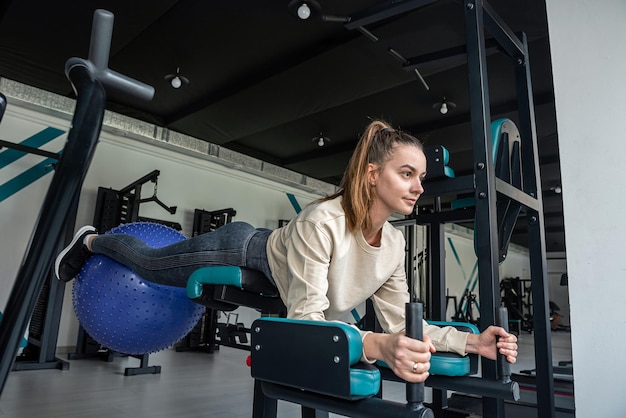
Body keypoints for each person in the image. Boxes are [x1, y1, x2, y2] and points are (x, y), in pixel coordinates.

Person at [55, 119, 517, 383]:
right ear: (373, 174)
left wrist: (471, 340)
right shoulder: (325, 222)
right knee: (152, 266)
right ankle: (92, 240)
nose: (419, 186)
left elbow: (399, 324)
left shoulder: (394, 244)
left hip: (282, 277)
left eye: (421, 177)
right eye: (407, 173)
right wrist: (376, 344)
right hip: (239, 249)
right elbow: (309, 321)